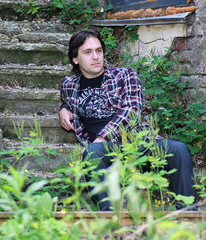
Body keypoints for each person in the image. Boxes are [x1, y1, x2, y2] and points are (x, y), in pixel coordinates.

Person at [59, 29, 196, 210]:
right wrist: (64, 109)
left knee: (179, 149)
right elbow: (66, 100)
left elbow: (132, 111)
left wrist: (102, 138)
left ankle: (188, 214)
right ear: (75, 59)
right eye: (88, 52)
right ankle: (108, 221)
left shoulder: (125, 75)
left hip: (140, 145)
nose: (95, 57)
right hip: (107, 154)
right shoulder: (68, 85)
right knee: (92, 153)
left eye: (99, 50)